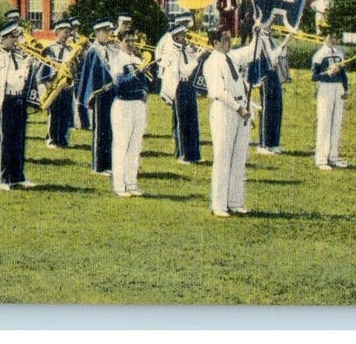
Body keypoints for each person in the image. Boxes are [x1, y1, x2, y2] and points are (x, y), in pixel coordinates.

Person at [203, 27, 259, 217]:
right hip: (224, 110)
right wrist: (238, 108)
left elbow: (253, 51)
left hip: (240, 109)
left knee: (239, 156)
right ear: (216, 42)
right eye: (226, 39)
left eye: (229, 38)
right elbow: (219, 91)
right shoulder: (212, 63)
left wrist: (257, 33)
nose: (230, 42)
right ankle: (219, 204)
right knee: (223, 156)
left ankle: (235, 201)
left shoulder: (232, 58)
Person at [0, 22, 36, 190]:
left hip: (19, 100)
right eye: (13, 37)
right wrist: (25, 66)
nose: (16, 41)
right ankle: (4, 178)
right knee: (6, 141)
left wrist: (30, 65)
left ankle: (18, 176)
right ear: (4, 38)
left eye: (17, 37)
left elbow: (24, 79)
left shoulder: (19, 55)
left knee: (19, 140)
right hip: (7, 101)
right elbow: (10, 80)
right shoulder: (1, 58)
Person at [108, 29, 151, 197]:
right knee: (121, 145)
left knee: (135, 145)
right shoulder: (117, 59)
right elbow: (119, 84)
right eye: (127, 41)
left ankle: (132, 183)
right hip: (123, 104)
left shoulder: (136, 59)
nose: (131, 44)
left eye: (133, 40)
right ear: (120, 42)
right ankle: (119, 185)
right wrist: (139, 72)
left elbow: (145, 82)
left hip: (137, 104)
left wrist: (145, 87)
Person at [76, 19, 118, 175]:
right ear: (98, 33)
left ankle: (109, 164)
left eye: (109, 32)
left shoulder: (111, 48)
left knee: (111, 129)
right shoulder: (94, 51)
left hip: (112, 93)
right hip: (100, 94)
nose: (109, 35)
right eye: (106, 32)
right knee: (100, 130)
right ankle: (98, 166)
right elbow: (93, 75)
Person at [158, 23, 202, 163]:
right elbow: (184, 71)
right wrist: (198, 57)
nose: (186, 37)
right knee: (182, 122)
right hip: (179, 88)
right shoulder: (172, 52)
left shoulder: (186, 48)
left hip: (189, 87)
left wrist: (196, 51)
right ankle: (182, 154)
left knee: (193, 120)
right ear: (176, 37)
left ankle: (194, 155)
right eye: (183, 34)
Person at [255, 20, 295, 155]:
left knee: (277, 108)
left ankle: (274, 142)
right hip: (265, 74)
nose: (271, 24)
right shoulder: (260, 38)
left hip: (274, 73)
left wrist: (286, 44)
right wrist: (284, 44)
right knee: (267, 109)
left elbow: (280, 55)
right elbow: (270, 57)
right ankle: (264, 144)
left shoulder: (269, 37)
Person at [311, 34, 350, 170]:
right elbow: (314, 76)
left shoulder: (340, 53)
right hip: (326, 88)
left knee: (337, 122)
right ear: (324, 37)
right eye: (331, 37)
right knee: (325, 122)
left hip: (338, 88)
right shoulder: (319, 54)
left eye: (336, 37)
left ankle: (333, 156)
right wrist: (328, 73)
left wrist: (346, 89)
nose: (334, 40)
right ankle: (321, 158)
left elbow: (343, 74)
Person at [40, 19, 76, 148]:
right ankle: (51, 139)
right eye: (65, 32)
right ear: (58, 32)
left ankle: (63, 139)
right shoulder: (50, 48)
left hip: (66, 84)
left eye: (69, 32)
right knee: (54, 112)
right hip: (54, 83)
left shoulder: (71, 49)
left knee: (66, 112)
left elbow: (75, 66)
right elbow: (45, 66)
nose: (67, 35)